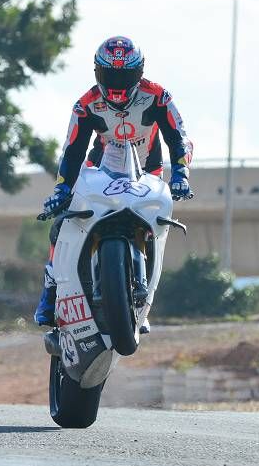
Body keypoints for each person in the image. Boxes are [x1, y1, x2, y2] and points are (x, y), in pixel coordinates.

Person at [34, 36, 194, 333]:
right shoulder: (86, 105)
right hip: (101, 170)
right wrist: (61, 190)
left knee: (159, 225)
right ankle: (50, 290)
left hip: (149, 172)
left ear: (140, 73)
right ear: (98, 73)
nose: (118, 83)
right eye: (110, 75)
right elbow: (72, 150)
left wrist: (182, 174)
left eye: (125, 75)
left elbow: (178, 137)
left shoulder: (159, 96)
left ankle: (142, 303)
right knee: (62, 222)